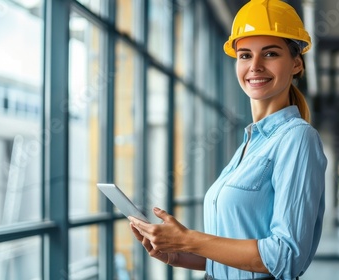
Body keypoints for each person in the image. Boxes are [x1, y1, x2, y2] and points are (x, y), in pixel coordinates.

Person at [129, 0, 327, 279]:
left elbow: (285, 257)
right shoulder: (249, 143)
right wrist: (174, 253)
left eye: (270, 54)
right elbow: (233, 253)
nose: (255, 66)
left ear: (296, 63)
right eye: (245, 55)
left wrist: (189, 239)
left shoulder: (297, 138)